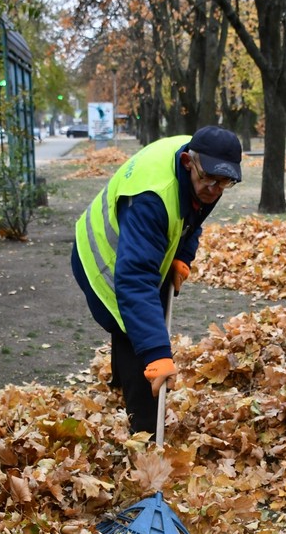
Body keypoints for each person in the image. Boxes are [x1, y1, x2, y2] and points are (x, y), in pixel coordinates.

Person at [72, 126, 243, 435]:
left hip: (135, 251)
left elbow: (192, 216)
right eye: (210, 180)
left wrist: (182, 256)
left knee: (143, 320)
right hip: (100, 255)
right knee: (132, 333)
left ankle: (120, 381)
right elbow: (134, 281)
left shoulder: (204, 172)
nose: (215, 190)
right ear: (189, 162)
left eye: (225, 183)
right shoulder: (153, 197)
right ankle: (145, 433)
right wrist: (157, 354)